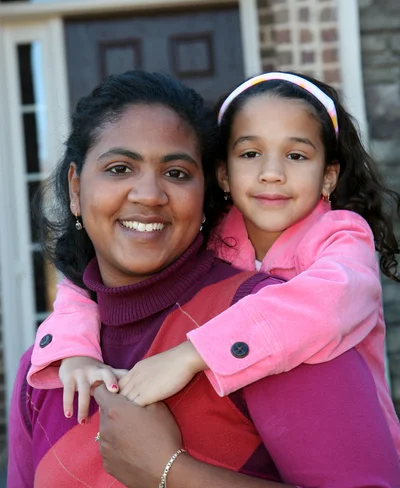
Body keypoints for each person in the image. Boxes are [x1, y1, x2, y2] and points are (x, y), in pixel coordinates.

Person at [8, 71, 400, 487]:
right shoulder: (42, 373)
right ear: (75, 188)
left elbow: (330, 301)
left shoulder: (290, 321)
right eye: (120, 168)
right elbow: (79, 290)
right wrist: (70, 351)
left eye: (176, 173)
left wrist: (169, 470)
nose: (149, 195)